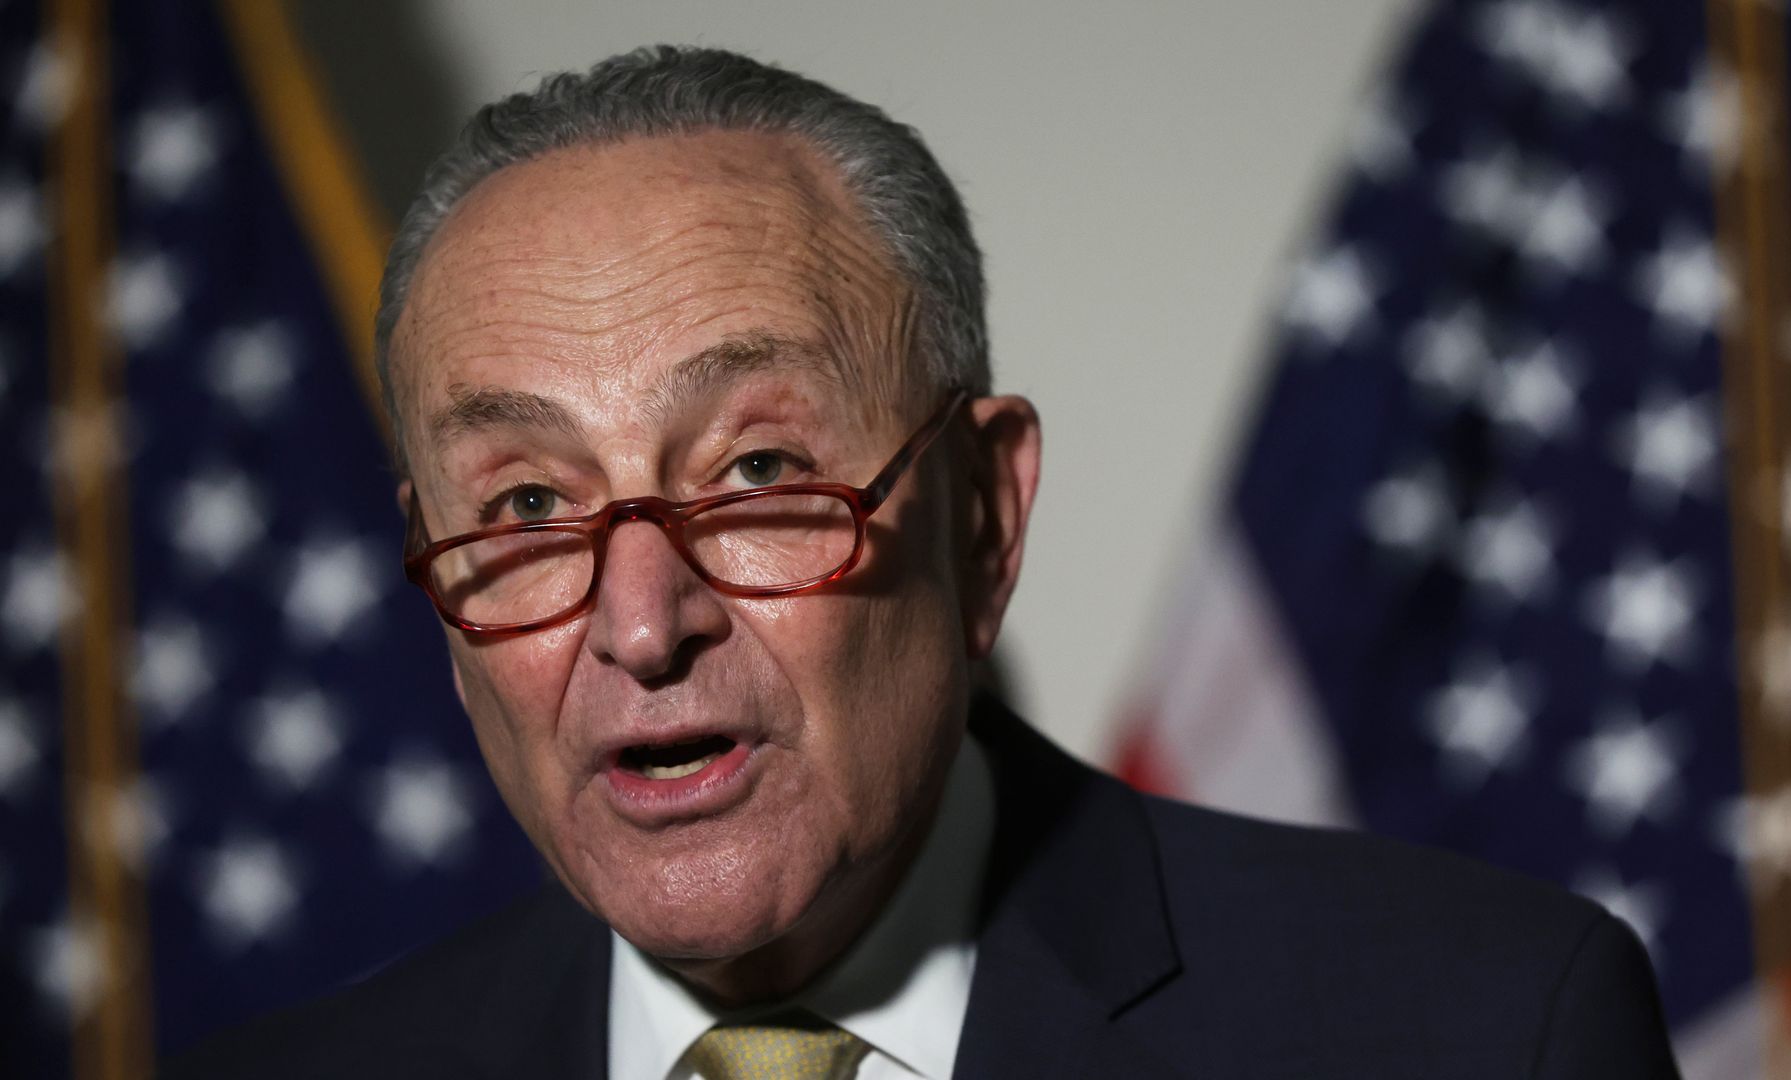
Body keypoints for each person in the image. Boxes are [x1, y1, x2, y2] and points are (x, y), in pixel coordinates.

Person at [170, 46, 1680, 1079]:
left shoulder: (1480, 1033)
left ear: (982, 517)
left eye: (757, 474)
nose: (639, 624)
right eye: (521, 507)